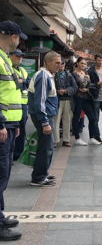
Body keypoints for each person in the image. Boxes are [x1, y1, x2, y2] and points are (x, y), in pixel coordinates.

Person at [0, 20, 26, 241]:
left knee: (4, 173)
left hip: (9, 125)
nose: (18, 41)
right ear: (11, 36)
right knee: (0, 173)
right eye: (18, 36)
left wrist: (14, 124)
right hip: (2, 126)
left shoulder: (4, 59)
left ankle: (0, 217)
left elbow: (11, 94)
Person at [28, 51, 61, 186]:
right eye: (57, 62)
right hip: (44, 116)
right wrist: (44, 122)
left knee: (47, 146)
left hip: (45, 115)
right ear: (48, 62)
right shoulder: (43, 76)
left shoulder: (47, 75)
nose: (59, 65)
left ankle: (42, 173)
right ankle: (38, 177)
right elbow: (39, 102)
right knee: (45, 147)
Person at [71, 57, 100, 146]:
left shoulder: (85, 73)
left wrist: (87, 89)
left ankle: (92, 137)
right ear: (77, 63)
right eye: (82, 63)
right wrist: (86, 78)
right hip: (77, 98)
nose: (83, 65)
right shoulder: (74, 74)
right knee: (76, 118)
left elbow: (88, 85)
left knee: (92, 118)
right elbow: (81, 83)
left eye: (85, 64)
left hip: (86, 97)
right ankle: (77, 138)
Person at [9, 49, 30, 160]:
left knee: (21, 130)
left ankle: (18, 154)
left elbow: (29, 82)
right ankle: (10, 153)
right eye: (18, 56)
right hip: (11, 105)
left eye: (21, 57)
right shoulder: (8, 68)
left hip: (23, 105)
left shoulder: (22, 70)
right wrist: (21, 83)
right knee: (10, 131)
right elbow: (14, 84)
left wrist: (23, 82)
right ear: (10, 56)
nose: (20, 58)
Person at [52, 58, 78, 148]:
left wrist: (66, 91)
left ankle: (66, 140)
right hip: (57, 100)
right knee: (56, 120)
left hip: (68, 100)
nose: (61, 66)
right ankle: (55, 140)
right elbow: (50, 87)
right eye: (59, 64)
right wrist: (57, 91)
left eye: (62, 64)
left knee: (67, 120)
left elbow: (75, 87)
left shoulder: (69, 75)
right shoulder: (53, 75)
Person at [88, 53, 102, 144]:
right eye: (99, 60)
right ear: (95, 60)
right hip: (96, 98)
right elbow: (88, 84)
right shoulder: (91, 71)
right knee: (95, 119)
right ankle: (97, 136)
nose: (101, 62)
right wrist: (98, 84)